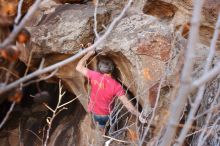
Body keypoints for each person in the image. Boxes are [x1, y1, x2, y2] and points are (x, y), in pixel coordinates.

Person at [76, 50, 144, 129]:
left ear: (99, 69)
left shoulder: (94, 75)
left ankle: (103, 131)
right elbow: (128, 106)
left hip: (95, 112)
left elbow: (78, 67)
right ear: (112, 69)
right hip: (107, 114)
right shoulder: (116, 86)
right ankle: (109, 129)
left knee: (101, 125)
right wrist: (139, 115)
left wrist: (88, 54)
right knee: (111, 122)